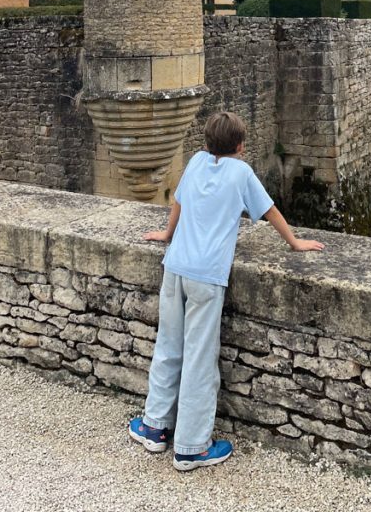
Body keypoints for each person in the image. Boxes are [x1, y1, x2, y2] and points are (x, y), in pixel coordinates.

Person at [128, 110, 325, 471]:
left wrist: (167, 235)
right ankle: (190, 448)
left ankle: (154, 427)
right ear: (241, 145)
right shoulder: (241, 173)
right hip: (206, 275)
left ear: (206, 142)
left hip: (175, 266)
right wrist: (295, 242)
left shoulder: (195, 162)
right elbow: (269, 210)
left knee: (168, 346)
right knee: (200, 359)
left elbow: (179, 202)